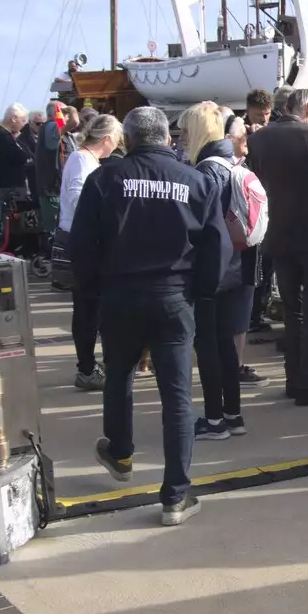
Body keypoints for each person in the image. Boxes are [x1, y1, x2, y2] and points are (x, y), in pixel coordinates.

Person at [69, 106, 228, 527]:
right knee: (176, 395)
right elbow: (216, 246)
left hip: (120, 297)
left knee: (119, 375)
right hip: (174, 298)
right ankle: (175, 495)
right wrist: (199, 294)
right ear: (166, 137)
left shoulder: (104, 180)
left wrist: (92, 293)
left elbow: (81, 245)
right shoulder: (195, 181)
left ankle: (120, 452)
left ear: (128, 139)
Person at [249, 88, 308, 405]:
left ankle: (295, 380)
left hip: (279, 234)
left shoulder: (259, 139)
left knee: (291, 312)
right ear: (307, 108)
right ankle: (306, 383)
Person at [179, 101, 251, 440]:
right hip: (236, 265)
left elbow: (199, 226)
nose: (180, 138)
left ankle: (213, 418)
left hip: (212, 270)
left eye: (184, 132)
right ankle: (232, 414)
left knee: (207, 344)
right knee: (224, 344)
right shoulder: (231, 162)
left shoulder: (205, 170)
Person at [59, 114, 121, 392]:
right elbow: (76, 197)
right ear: (107, 139)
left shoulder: (85, 159)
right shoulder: (81, 160)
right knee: (86, 306)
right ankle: (86, 367)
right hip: (82, 240)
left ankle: (91, 365)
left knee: (91, 305)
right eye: (116, 138)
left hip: (84, 237)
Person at [224, 114, 266, 386]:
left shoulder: (247, 163)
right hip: (232, 246)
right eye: (243, 134)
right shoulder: (223, 169)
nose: (247, 138)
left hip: (246, 247)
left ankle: (236, 363)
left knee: (241, 308)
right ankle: (232, 365)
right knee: (235, 306)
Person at [0, 103, 35, 238]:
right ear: (14, 118)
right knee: (8, 220)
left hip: (6, 184)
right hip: (8, 186)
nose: (23, 125)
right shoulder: (2, 136)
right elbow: (20, 156)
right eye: (22, 120)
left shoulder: (3, 135)